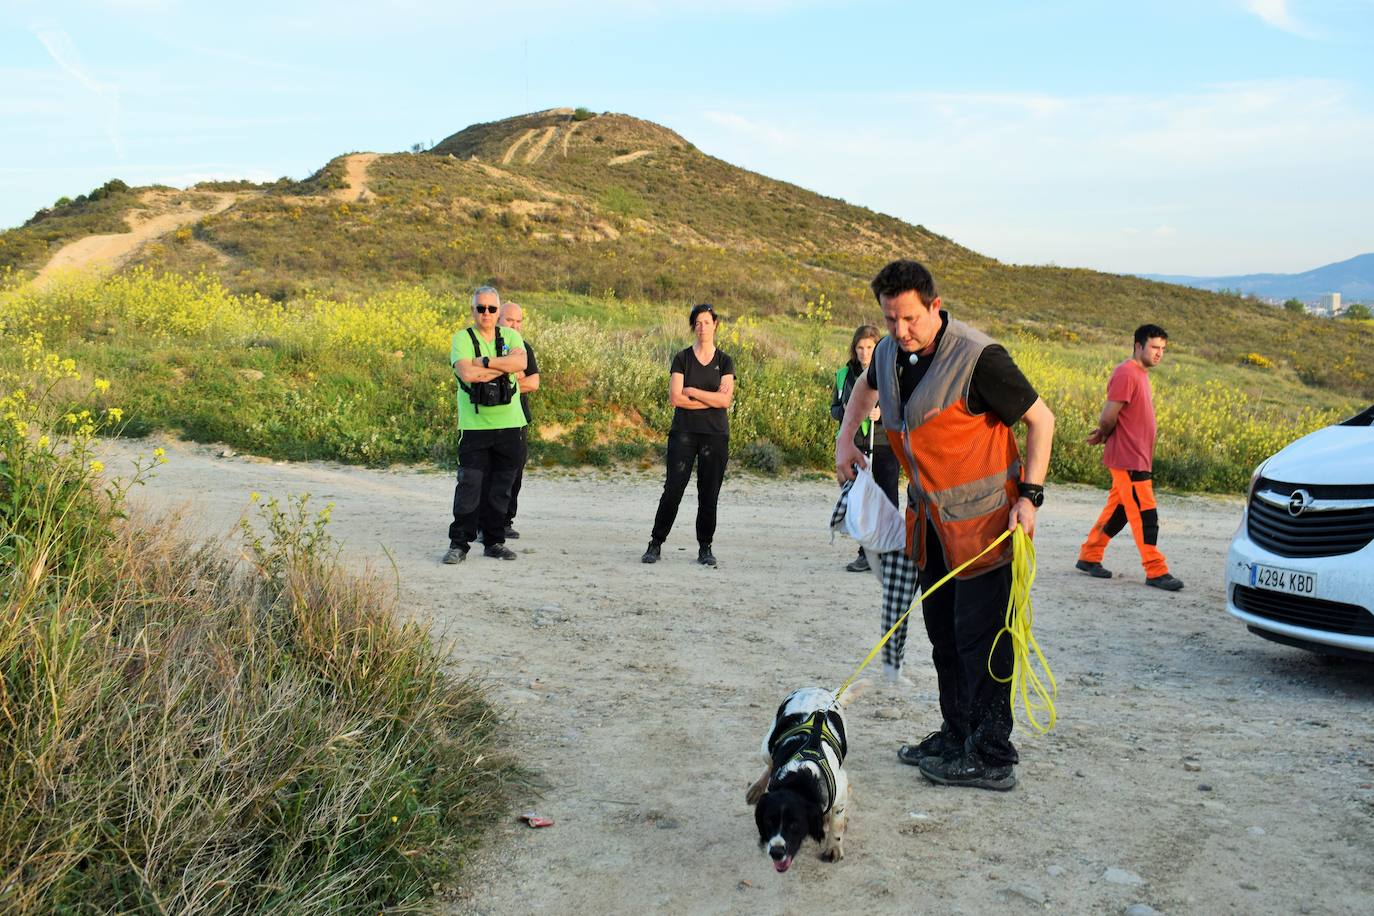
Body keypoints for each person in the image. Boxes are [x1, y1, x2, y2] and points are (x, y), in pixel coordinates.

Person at [836, 259, 1055, 791]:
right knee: (943, 636)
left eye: (909, 318)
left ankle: (992, 753)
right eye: (890, 319)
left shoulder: (979, 357)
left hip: (987, 528)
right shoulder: (888, 355)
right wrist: (846, 439)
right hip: (930, 528)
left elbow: (1041, 420)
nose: (899, 330)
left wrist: (1029, 496)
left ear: (935, 306)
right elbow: (863, 392)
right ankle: (957, 734)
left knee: (981, 640)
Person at [1076, 324, 1183, 591]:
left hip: (1136, 458)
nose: (1159, 353)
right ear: (1138, 346)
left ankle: (1090, 555)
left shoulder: (1140, 374)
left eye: (1163, 349)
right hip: (1129, 459)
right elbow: (1108, 415)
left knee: (1119, 511)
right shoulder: (1126, 372)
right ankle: (1156, 570)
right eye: (1154, 347)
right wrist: (1103, 432)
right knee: (1146, 514)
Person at [642, 303, 735, 567]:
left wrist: (692, 391)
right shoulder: (682, 358)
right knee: (673, 489)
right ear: (693, 326)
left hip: (715, 434)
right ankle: (655, 543)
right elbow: (675, 398)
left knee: (709, 493)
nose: (702, 327)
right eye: (698, 322)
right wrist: (710, 398)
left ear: (715, 324)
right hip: (684, 432)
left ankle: (705, 547)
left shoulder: (724, 361)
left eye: (707, 322)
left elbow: (725, 401)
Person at [443, 286, 528, 564]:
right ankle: (459, 543)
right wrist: (504, 367)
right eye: (481, 308)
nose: (487, 314)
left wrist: (486, 363)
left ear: (498, 311)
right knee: (470, 485)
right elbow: (466, 372)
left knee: (501, 487)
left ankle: (494, 541)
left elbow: (522, 362)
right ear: (473, 311)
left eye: (492, 309)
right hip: (475, 426)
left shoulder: (512, 335)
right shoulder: (462, 339)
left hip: (510, 425)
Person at [831, 324, 900, 572]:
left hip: (884, 443)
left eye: (869, 347)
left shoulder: (890, 372)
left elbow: (902, 408)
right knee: (861, 500)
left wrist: (881, 414)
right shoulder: (843, 375)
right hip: (857, 446)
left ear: (877, 347)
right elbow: (835, 410)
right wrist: (849, 408)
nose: (864, 352)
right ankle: (865, 553)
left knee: (887, 499)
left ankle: (889, 553)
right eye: (860, 347)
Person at [476, 301, 540, 542]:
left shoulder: (524, 348)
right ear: (497, 319)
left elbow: (533, 382)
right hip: (485, 420)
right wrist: (511, 375)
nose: (514, 325)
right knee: (485, 474)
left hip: (518, 419)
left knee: (513, 474)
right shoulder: (484, 346)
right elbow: (476, 379)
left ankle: (504, 521)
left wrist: (500, 384)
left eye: (518, 321)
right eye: (509, 320)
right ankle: (483, 524)